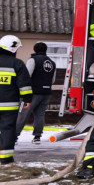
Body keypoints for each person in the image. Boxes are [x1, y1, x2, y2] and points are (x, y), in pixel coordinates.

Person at [0, 35, 33, 165]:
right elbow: (24, 84)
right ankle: (6, 158)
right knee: (8, 130)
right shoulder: (17, 63)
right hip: (9, 105)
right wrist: (27, 99)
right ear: (13, 49)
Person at [16, 42, 56, 144]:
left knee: (23, 114)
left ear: (35, 50)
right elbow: (53, 80)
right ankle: (37, 137)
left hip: (33, 93)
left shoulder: (33, 60)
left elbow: (27, 76)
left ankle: (14, 136)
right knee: (40, 115)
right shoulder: (52, 62)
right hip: (46, 92)